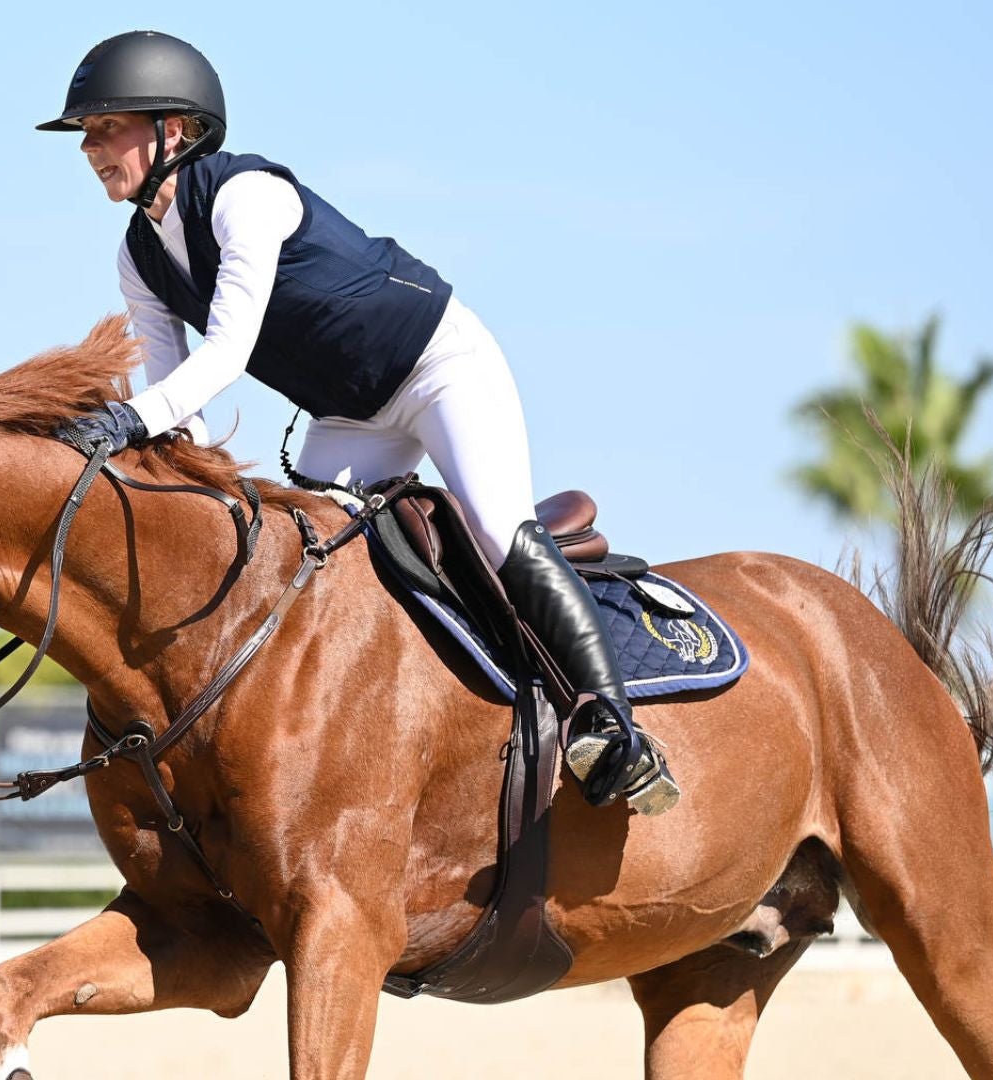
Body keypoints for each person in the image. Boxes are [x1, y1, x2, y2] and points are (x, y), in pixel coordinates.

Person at [44, 30, 678, 815]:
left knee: (496, 528)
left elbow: (229, 348)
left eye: (109, 126)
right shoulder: (138, 254)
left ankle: (612, 725)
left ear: (177, 129)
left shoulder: (248, 196)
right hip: (352, 416)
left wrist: (127, 418)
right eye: (86, 134)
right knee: (307, 558)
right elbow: (185, 410)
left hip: (439, 368)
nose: (91, 147)